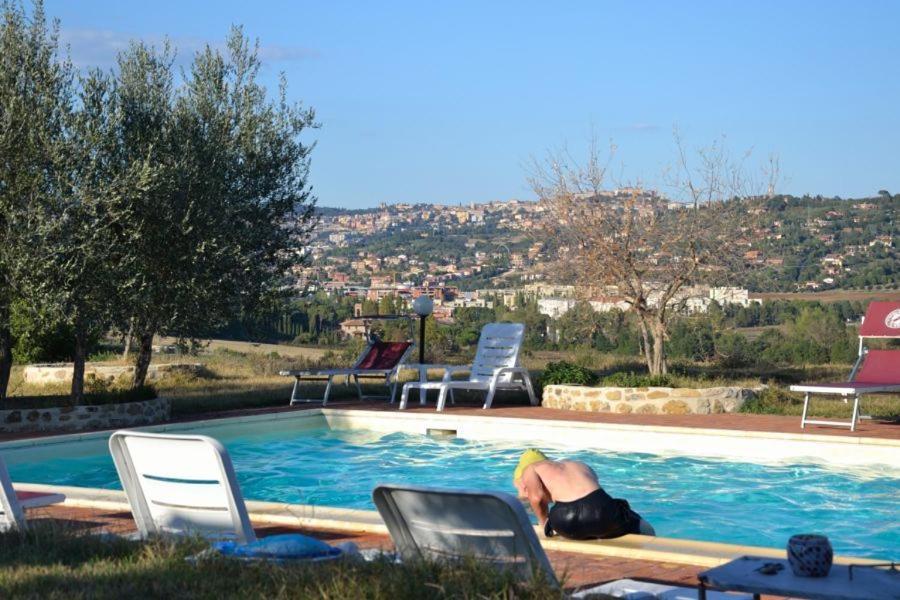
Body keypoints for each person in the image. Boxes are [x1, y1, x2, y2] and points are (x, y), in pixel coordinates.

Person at [512, 448, 655, 540]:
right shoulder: (578, 464)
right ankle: (650, 536)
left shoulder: (530, 469)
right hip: (599, 511)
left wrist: (544, 524)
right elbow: (596, 492)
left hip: (563, 519)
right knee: (628, 514)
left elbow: (536, 498)